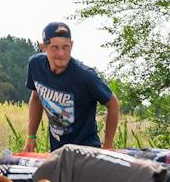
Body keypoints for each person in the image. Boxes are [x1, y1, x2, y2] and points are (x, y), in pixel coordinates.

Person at [24, 22, 120, 153]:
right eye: (55, 48)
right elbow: (36, 96)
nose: (61, 53)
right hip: (57, 151)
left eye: (66, 47)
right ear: (43, 47)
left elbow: (113, 103)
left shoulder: (85, 75)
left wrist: (108, 147)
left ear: (72, 45)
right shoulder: (36, 65)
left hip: (86, 151)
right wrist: (31, 136)